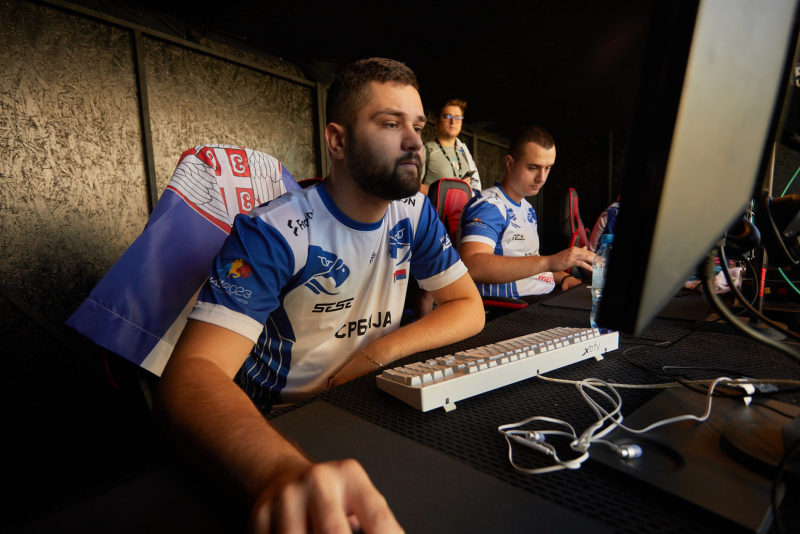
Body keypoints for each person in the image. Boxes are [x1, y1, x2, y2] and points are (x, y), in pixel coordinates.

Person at [154, 58, 485, 533]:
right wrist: (281, 473)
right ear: (338, 141)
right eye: (390, 124)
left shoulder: (414, 211)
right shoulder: (272, 231)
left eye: (417, 125)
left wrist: (377, 354)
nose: (415, 141)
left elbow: (468, 307)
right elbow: (192, 375)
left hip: (371, 398)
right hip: (284, 420)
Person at [458, 126, 593, 303]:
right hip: (515, 306)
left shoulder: (528, 208)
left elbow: (531, 262)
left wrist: (564, 278)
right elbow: (472, 264)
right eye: (533, 168)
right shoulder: (489, 206)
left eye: (547, 168)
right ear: (510, 164)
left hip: (544, 295)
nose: (541, 178)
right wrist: (549, 262)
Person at [420, 99, 481, 194]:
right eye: (447, 117)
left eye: (457, 117)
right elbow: (413, 188)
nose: (453, 121)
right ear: (436, 122)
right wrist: (447, 189)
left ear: (461, 123)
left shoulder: (464, 153)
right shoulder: (426, 151)